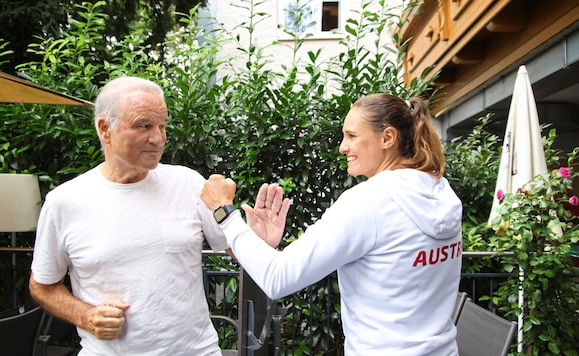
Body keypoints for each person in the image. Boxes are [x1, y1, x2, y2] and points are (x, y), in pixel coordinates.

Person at [200, 93, 463, 355]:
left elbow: (277, 277)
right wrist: (264, 246)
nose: (343, 147)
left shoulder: (369, 203)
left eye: (352, 136)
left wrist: (225, 212)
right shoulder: (442, 192)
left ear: (387, 138)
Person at [29, 76, 231, 355]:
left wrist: (261, 238)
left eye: (162, 126)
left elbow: (235, 248)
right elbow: (42, 285)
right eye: (144, 125)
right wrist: (85, 316)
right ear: (105, 128)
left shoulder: (188, 183)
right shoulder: (64, 202)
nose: (158, 138)